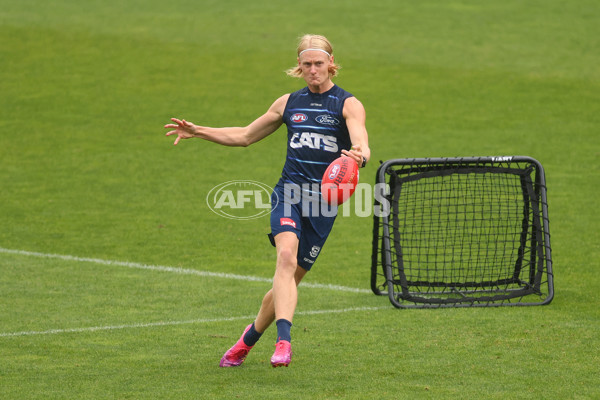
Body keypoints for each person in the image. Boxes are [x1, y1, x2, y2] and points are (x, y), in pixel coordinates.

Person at [164, 34, 370, 368]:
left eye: (319, 64)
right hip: (288, 193)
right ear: (298, 67)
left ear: (331, 64)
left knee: (287, 284)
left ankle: (246, 341)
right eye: (307, 65)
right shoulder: (288, 103)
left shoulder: (348, 104)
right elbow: (245, 136)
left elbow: (360, 138)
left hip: (322, 205)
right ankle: (284, 343)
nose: (313, 70)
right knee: (285, 258)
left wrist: (359, 154)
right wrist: (198, 131)